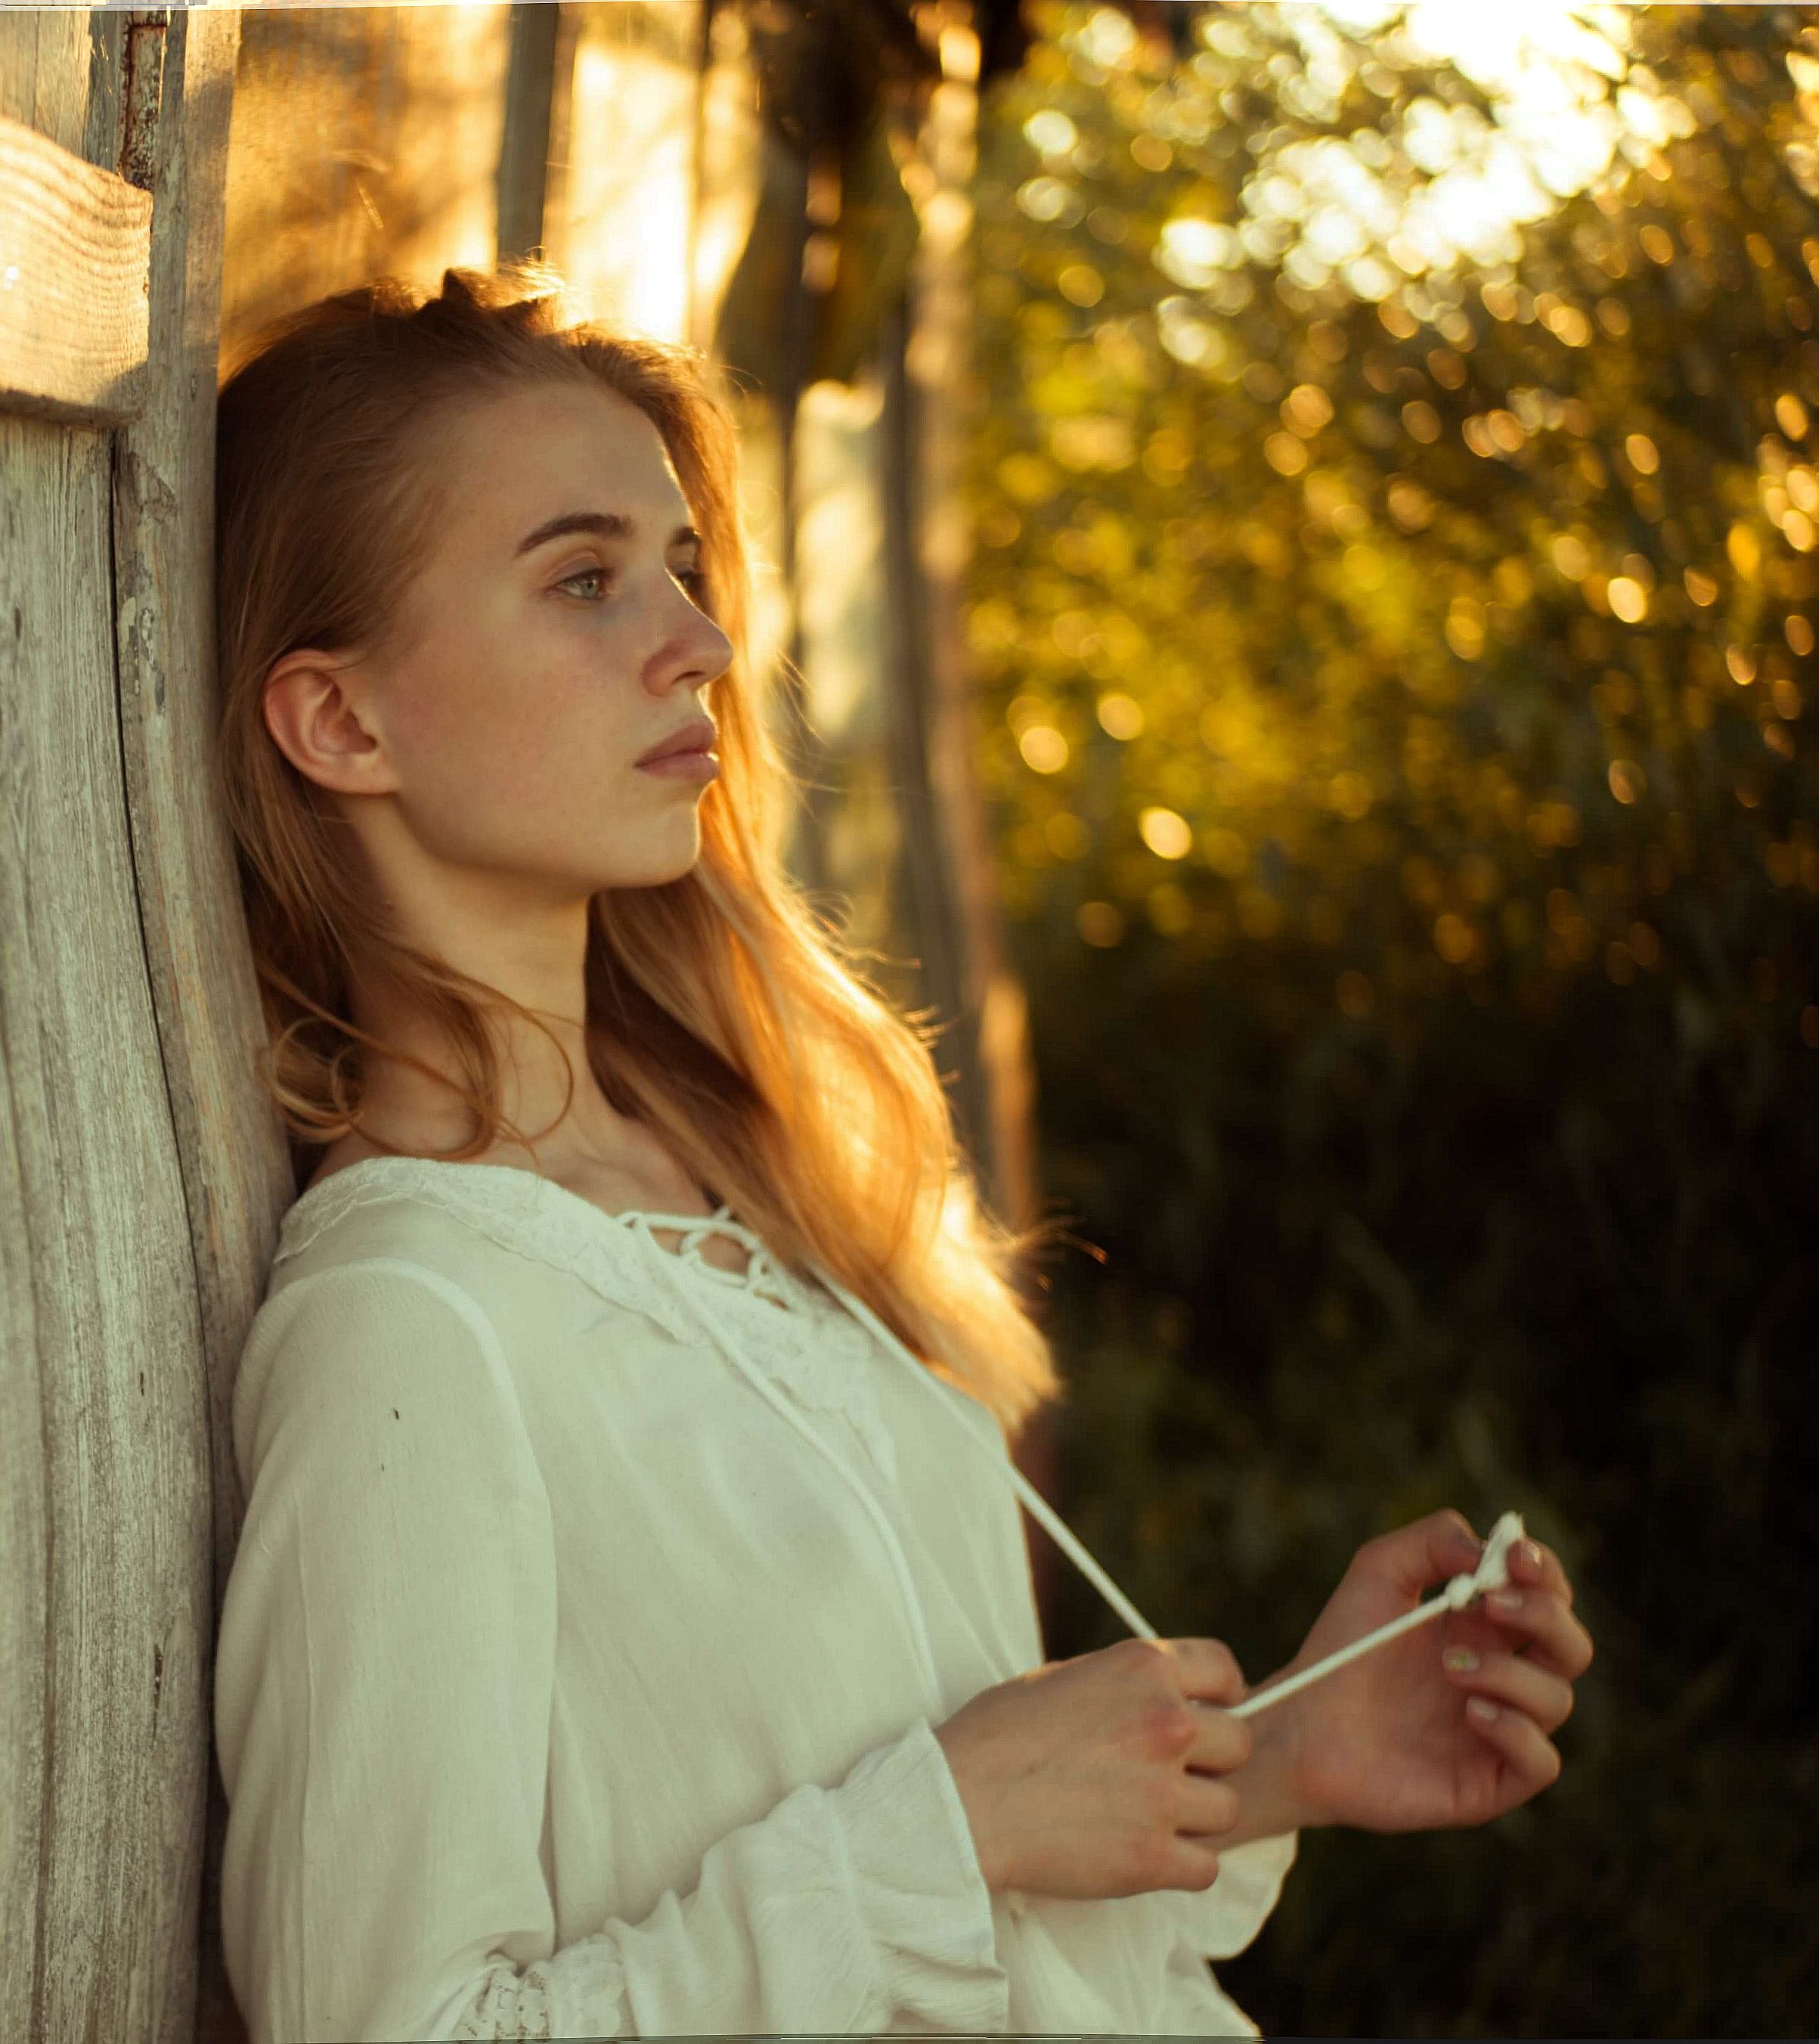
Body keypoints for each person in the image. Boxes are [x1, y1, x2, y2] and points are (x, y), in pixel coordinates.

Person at [205, 262, 1593, 2042]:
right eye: (581, 580)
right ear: (342, 721)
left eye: (683, 569)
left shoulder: (745, 1188)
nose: (697, 640)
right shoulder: (409, 1323)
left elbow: (937, 1861)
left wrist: (1272, 1759)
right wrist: (952, 1821)